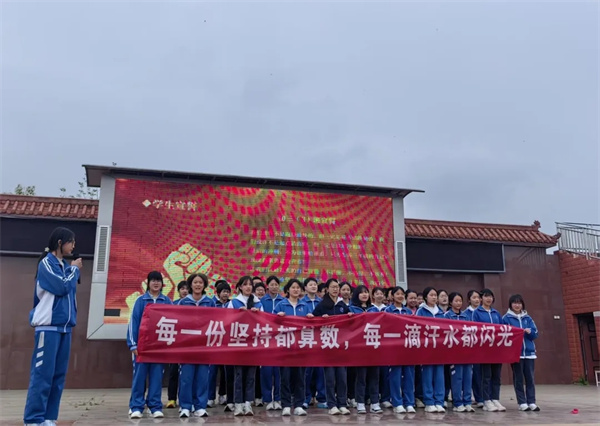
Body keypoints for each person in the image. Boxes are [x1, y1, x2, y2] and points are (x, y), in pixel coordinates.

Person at [23, 227, 82, 426]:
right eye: (71, 241)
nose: (73, 245)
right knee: (42, 375)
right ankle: (33, 418)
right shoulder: (46, 264)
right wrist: (74, 270)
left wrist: (71, 269)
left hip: (65, 328)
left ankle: (48, 417)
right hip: (48, 328)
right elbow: (61, 287)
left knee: (58, 376)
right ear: (59, 242)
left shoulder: (65, 266)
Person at [127, 271, 172, 419]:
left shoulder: (167, 301)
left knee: (156, 378)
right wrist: (133, 345)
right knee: (139, 377)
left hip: (159, 348)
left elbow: (174, 322)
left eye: (158, 280)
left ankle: (155, 406)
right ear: (148, 283)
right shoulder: (141, 301)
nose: (156, 283)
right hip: (142, 348)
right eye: (153, 280)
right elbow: (133, 323)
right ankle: (136, 406)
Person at [178, 274, 216, 418]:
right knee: (186, 378)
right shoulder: (183, 303)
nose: (198, 285)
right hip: (187, 347)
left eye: (200, 282)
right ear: (190, 285)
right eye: (195, 282)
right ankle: (185, 406)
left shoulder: (210, 302)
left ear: (204, 285)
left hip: (204, 347)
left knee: (202, 378)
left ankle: (200, 406)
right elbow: (178, 323)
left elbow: (216, 322)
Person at [313, 279, 352, 416]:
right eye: (332, 287)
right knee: (330, 378)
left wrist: (350, 316)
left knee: (342, 377)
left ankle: (342, 404)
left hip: (341, 346)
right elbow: (313, 320)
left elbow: (351, 322)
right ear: (327, 289)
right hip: (327, 346)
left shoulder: (342, 305)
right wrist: (320, 319)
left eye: (337, 287)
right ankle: (332, 404)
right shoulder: (322, 305)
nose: (335, 289)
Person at [228, 276, 263, 416]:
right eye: (245, 284)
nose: (248, 287)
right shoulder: (234, 303)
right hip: (238, 343)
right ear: (240, 287)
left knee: (251, 375)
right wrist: (238, 315)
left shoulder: (258, 303)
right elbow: (227, 322)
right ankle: (238, 403)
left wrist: (257, 315)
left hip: (253, 343)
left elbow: (264, 322)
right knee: (238, 374)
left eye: (250, 285)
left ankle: (248, 403)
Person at [274, 279, 310, 416]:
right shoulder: (281, 305)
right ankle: (286, 405)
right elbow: (271, 323)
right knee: (285, 377)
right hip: (285, 347)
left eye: (298, 288)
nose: (296, 290)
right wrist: (277, 318)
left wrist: (311, 318)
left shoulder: (305, 306)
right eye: (293, 287)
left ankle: (299, 405)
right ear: (288, 290)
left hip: (301, 348)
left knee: (300, 377)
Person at [503, 294, 540, 412]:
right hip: (516, 354)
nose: (517, 305)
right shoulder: (506, 318)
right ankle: (522, 402)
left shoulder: (528, 318)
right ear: (510, 305)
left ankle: (531, 402)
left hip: (529, 354)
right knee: (518, 379)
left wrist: (530, 332)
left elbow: (535, 334)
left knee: (530, 379)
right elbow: (504, 334)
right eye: (514, 303)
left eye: (519, 303)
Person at [349, 286, 382, 414]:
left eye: (366, 292)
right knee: (361, 377)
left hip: (373, 347)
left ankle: (375, 402)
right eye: (361, 293)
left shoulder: (374, 309)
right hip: (359, 349)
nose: (364, 295)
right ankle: (360, 402)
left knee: (374, 376)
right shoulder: (351, 309)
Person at [472, 288, 506, 412]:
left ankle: (495, 398)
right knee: (486, 376)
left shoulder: (496, 313)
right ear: (481, 298)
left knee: (496, 376)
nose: (489, 299)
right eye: (486, 296)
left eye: (490, 296)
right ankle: (486, 400)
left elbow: (502, 329)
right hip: (485, 350)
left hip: (497, 350)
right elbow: (476, 329)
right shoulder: (477, 313)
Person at [385, 287, 416, 414]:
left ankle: (409, 403)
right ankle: (397, 402)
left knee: (409, 376)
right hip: (394, 348)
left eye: (402, 294)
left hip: (408, 347)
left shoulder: (408, 311)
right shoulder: (387, 311)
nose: (400, 296)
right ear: (392, 296)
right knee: (395, 376)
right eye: (397, 294)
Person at [416, 287, 445, 413]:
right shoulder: (421, 311)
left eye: (435, 295)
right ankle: (429, 402)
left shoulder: (441, 313)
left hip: (439, 349)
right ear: (425, 297)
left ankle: (439, 401)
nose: (434, 297)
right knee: (427, 375)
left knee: (439, 376)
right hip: (426, 349)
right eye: (431, 295)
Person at [444, 292, 475, 412]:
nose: (458, 303)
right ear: (451, 302)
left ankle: (467, 401)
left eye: (460, 301)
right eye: (456, 301)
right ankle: (457, 403)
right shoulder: (447, 316)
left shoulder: (466, 316)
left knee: (468, 377)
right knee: (457, 378)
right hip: (454, 353)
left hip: (466, 352)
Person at [301, 277, 327, 409]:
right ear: (305, 288)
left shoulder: (322, 302)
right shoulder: (301, 303)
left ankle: (321, 398)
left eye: (315, 284)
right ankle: (306, 397)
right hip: (306, 340)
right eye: (310, 285)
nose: (313, 286)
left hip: (320, 339)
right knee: (307, 371)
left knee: (320, 370)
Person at [259, 275, 284, 411]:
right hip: (266, 339)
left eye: (276, 284)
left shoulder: (283, 301)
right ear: (267, 286)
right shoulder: (261, 301)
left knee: (279, 371)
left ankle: (278, 398)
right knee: (267, 371)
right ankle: (267, 399)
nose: (274, 287)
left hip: (280, 339)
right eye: (272, 284)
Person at [166, 281, 190, 409]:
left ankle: (186, 400)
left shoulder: (193, 304)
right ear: (178, 290)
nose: (185, 291)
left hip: (189, 344)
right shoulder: (172, 304)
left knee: (187, 374)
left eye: (187, 289)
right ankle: (171, 399)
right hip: (175, 343)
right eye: (182, 289)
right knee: (173, 372)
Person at [213, 281, 235, 411]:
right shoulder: (212, 303)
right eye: (223, 292)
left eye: (227, 292)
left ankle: (223, 394)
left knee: (225, 370)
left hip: (227, 341)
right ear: (218, 293)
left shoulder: (231, 304)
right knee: (213, 371)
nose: (225, 294)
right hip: (214, 339)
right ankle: (210, 397)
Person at [368, 287, 391, 408]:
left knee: (385, 374)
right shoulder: (369, 310)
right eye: (377, 293)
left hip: (386, 345)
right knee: (374, 374)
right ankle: (373, 397)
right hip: (373, 344)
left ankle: (385, 398)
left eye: (381, 294)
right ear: (373, 296)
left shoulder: (388, 310)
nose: (379, 295)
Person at [464, 290, 483, 408]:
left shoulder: (484, 312)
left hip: (482, 347)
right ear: (469, 300)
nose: (476, 299)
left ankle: (482, 397)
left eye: (478, 297)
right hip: (469, 346)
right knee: (472, 373)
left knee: (481, 373)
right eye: (474, 297)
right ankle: (474, 397)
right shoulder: (465, 313)